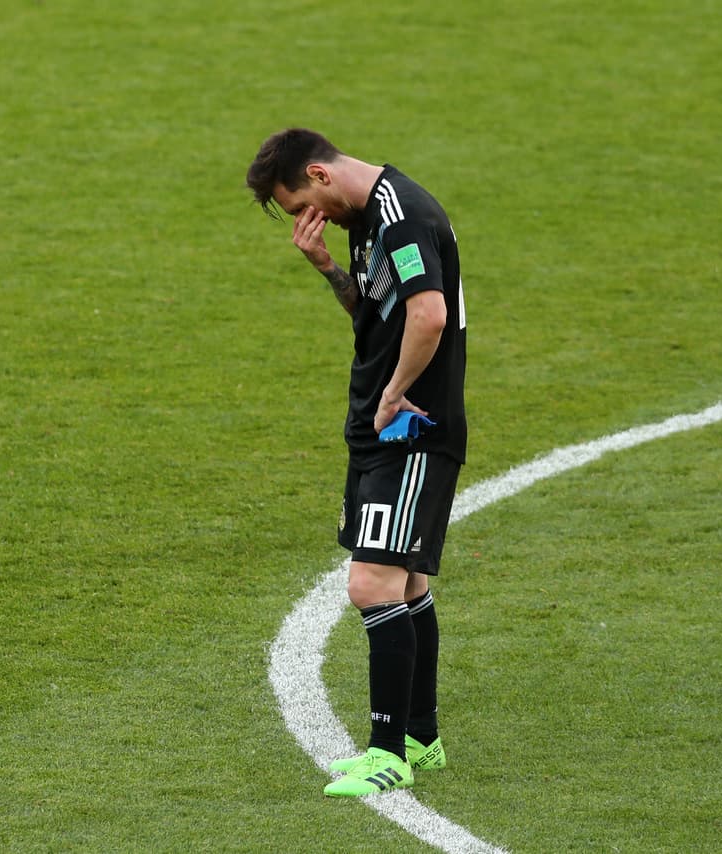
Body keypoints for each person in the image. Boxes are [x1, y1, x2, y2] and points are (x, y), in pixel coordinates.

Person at [246, 129, 467, 798]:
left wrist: (394, 392)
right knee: (407, 584)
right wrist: (325, 267)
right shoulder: (366, 218)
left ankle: (387, 755)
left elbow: (429, 315)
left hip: (410, 428)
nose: (308, 219)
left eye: (301, 206)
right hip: (380, 427)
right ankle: (420, 738)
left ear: (319, 173)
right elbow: (375, 316)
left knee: (371, 585)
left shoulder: (401, 216)